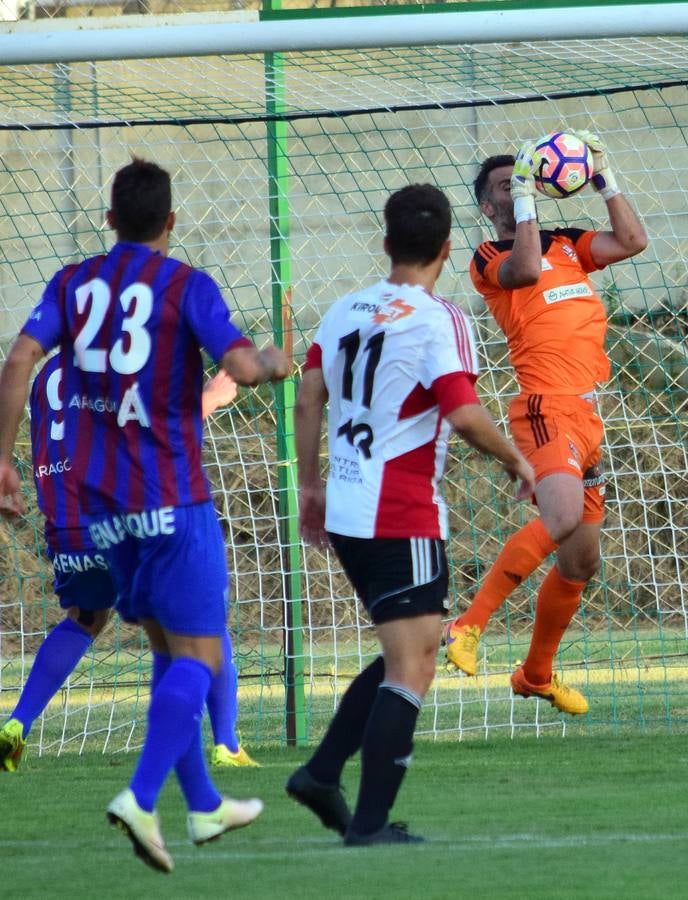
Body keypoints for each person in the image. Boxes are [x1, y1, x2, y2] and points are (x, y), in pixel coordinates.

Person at [0, 158, 290, 872]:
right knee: (204, 652)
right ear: (170, 222)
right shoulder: (185, 284)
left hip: (99, 504)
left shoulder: (72, 284)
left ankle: (203, 806)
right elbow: (243, 367)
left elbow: (20, 358)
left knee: (167, 648)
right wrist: (278, 361)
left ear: (109, 220)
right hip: (171, 495)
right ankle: (139, 793)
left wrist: (0, 459)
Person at [286, 183, 535, 845]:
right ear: (448, 249)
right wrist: (518, 460)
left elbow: (308, 396)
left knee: (411, 647)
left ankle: (321, 772)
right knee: (413, 665)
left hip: (344, 506)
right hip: (400, 510)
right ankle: (367, 825)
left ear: (387, 243)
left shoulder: (342, 309)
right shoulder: (438, 317)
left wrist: (309, 486)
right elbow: (461, 411)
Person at [445, 130, 648, 714]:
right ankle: (469, 623)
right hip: (545, 406)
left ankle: (535, 674)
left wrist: (605, 177)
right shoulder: (491, 257)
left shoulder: (568, 244)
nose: (518, 187)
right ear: (488, 207)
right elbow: (526, 269)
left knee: (581, 560)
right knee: (559, 519)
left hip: (587, 412)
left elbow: (633, 240)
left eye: (524, 177)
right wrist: (530, 199)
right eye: (506, 186)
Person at [0, 364, 258, 773]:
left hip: (68, 526)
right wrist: (210, 398)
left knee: (85, 619)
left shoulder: (48, 371)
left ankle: (16, 724)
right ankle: (226, 744)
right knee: (203, 616)